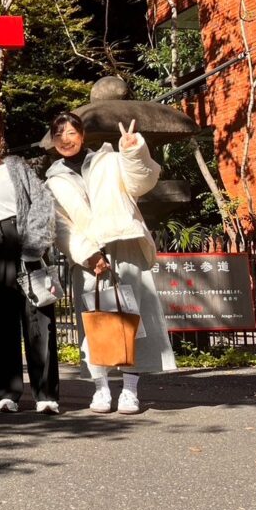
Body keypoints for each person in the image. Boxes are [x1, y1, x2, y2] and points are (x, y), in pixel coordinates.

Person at [45, 112, 176, 414]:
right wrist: (87, 253)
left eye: (71, 131)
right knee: (94, 321)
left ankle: (130, 389)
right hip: (88, 257)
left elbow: (141, 180)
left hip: (124, 243)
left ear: (82, 135)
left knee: (131, 317)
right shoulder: (51, 181)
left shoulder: (111, 159)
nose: (66, 138)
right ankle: (101, 388)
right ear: (53, 141)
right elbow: (60, 225)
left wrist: (132, 150)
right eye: (59, 133)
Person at [0, 117, 59, 414]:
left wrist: (35, 243)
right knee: (0, 321)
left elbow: (43, 200)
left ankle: (46, 394)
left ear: (0, 138)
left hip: (29, 241)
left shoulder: (17, 166)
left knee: (40, 318)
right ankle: (6, 392)